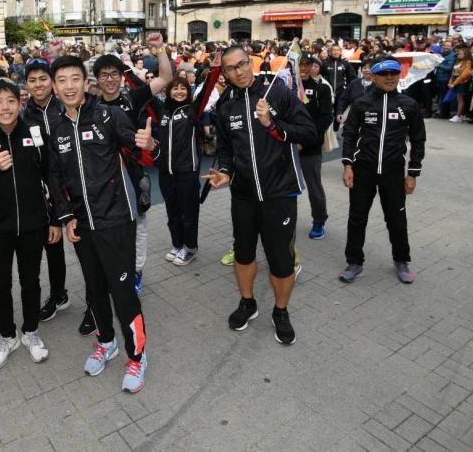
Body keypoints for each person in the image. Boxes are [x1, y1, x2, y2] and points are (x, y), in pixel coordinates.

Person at [47, 55, 156, 393]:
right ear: (54, 86)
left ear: (86, 83)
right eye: (61, 80)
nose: (68, 86)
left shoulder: (109, 115)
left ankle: (137, 356)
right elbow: (55, 176)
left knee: (123, 293)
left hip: (117, 221)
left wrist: (150, 145)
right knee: (94, 290)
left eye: (74, 79)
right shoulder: (56, 125)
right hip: (82, 226)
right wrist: (66, 217)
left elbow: (141, 154)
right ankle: (106, 342)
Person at [204, 46, 316, 345]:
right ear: (224, 74)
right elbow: (226, 150)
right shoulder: (225, 105)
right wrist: (224, 172)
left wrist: (272, 125)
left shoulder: (276, 92)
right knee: (243, 253)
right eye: (231, 68)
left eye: (243, 64)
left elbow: (308, 131)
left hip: (280, 193)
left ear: (250, 63)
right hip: (243, 195)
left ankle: (281, 311)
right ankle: (248, 302)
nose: (239, 71)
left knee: (281, 260)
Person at [0, 78, 56, 369]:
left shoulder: (36, 135)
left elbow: (52, 177)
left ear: (20, 103)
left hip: (33, 226)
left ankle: (31, 332)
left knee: (31, 282)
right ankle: (7, 336)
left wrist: (54, 219)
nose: (5, 107)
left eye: (11, 100)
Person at [91, 33, 173, 299]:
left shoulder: (133, 97)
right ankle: (112, 271)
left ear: (120, 75)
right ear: (97, 78)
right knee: (107, 228)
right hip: (102, 178)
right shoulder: (90, 105)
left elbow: (166, 79)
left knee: (138, 224)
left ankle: (136, 271)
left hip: (132, 173)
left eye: (114, 73)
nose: (110, 79)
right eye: (104, 75)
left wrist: (159, 48)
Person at [339, 56, 426, 285]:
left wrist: (412, 174)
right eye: (384, 74)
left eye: (394, 73)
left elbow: (418, 140)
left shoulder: (409, 105)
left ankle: (401, 260)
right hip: (362, 171)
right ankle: (354, 262)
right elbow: (349, 134)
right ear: (374, 76)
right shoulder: (361, 103)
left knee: (396, 219)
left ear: (399, 75)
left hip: (393, 172)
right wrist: (348, 164)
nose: (389, 78)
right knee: (357, 218)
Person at [155, 55, 221, 265]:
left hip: (187, 172)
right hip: (166, 172)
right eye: (175, 88)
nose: (179, 91)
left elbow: (209, 88)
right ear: (168, 91)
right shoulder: (162, 112)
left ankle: (190, 248)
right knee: (172, 213)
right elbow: (142, 91)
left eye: (183, 88)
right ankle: (177, 245)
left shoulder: (193, 110)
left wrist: (216, 68)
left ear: (188, 90)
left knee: (188, 213)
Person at [20, 57, 70, 323]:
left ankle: (97, 298)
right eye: (32, 79)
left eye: (43, 78)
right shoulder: (23, 114)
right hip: (43, 190)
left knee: (86, 242)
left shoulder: (65, 106)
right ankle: (58, 294)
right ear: (26, 83)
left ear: (52, 81)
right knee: (52, 243)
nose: (38, 84)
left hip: (74, 185)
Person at [298, 55, 333, 240]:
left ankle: (319, 220)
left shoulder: (321, 89)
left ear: (313, 67)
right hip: (287, 148)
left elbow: (326, 118)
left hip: (310, 148)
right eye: (299, 65)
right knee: (284, 186)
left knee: (314, 187)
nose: (303, 68)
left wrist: (306, 140)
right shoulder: (286, 87)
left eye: (306, 65)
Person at [321, 45, 356, 130]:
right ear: (330, 52)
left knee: (338, 112)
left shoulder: (345, 63)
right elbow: (320, 76)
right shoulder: (325, 63)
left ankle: (335, 130)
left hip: (341, 92)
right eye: (333, 50)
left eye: (337, 50)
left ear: (340, 52)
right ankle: (327, 129)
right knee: (327, 111)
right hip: (328, 92)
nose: (335, 52)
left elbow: (352, 77)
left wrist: (347, 88)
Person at [447, 47, 473, 122]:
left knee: (460, 100)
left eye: (461, 54)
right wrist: (450, 82)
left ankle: (458, 115)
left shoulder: (468, 62)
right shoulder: (458, 62)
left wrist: (454, 84)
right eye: (459, 53)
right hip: (456, 82)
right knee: (458, 99)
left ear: (466, 55)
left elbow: (463, 75)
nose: (459, 54)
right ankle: (460, 114)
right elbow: (453, 73)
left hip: (462, 83)